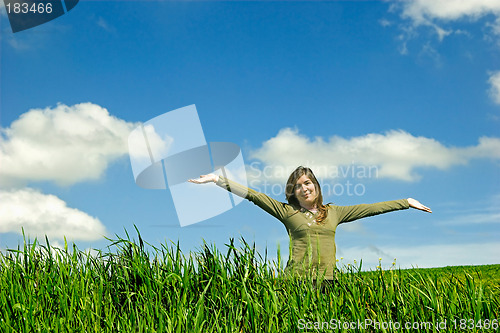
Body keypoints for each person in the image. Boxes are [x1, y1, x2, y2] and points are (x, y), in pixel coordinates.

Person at [189, 166, 431, 286]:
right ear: (293, 192)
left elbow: (370, 208)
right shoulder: (287, 212)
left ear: (315, 185)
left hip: (328, 282)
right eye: (298, 186)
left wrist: (406, 202)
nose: (304, 188)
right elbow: (254, 195)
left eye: (308, 183)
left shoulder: (334, 213)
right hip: (296, 281)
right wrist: (218, 180)